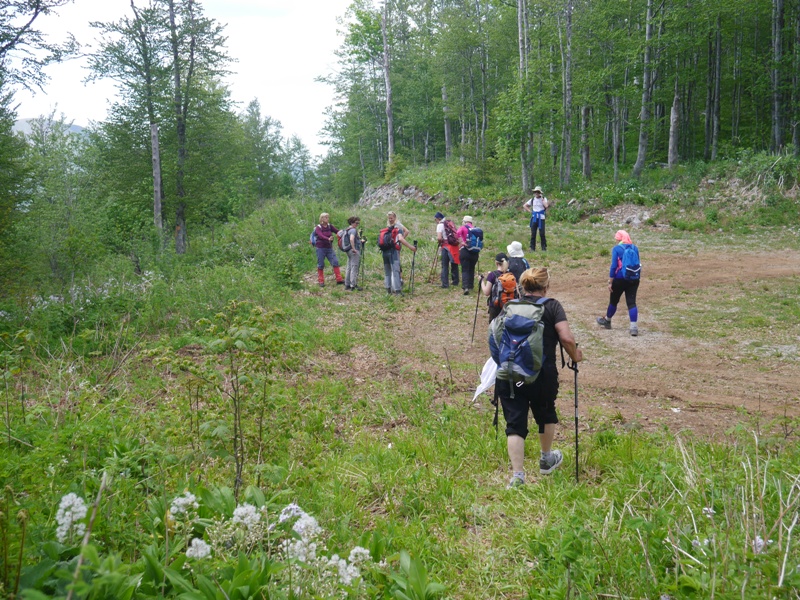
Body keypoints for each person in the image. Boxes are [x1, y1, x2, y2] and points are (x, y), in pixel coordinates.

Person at [493, 268, 583, 488]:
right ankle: (546, 459)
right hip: (541, 375)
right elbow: (566, 338)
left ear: (523, 286)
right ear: (546, 286)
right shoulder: (552, 306)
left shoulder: (510, 306)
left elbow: (495, 336)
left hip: (512, 374)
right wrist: (575, 356)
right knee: (545, 413)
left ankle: (517, 476)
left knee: (515, 423)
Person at [596, 229, 641, 336]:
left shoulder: (616, 249)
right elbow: (637, 263)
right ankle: (633, 327)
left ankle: (607, 320)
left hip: (619, 279)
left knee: (614, 301)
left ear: (620, 239)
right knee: (631, 302)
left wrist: (610, 282)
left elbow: (614, 266)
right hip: (633, 279)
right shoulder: (635, 248)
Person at [381, 211, 416, 295]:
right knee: (396, 271)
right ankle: (398, 291)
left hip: (385, 251)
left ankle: (388, 290)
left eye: (391, 218)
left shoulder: (387, 229)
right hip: (393, 251)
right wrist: (411, 247)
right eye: (389, 218)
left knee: (387, 272)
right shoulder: (398, 228)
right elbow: (400, 238)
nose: (390, 219)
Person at [480, 253, 517, 323]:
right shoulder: (511, 275)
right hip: (508, 306)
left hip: (495, 306)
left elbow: (486, 292)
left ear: (496, 263)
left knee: (494, 327)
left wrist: (481, 281)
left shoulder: (492, 275)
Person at [314, 213, 344, 287]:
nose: (327, 219)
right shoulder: (318, 227)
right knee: (321, 264)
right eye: (326, 217)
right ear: (322, 219)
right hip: (320, 248)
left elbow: (337, 231)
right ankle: (321, 281)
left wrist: (343, 232)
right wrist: (328, 238)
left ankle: (339, 279)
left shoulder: (330, 226)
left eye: (328, 217)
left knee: (335, 262)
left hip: (329, 247)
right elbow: (320, 235)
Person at [434, 211, 460, 288]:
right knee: (454, 264)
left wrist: (440, 242)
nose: (435, 221)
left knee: (445, 265)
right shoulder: (449, 223)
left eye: (435, 219)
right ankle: (455, 281)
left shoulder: (440, 225)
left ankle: (445, 284)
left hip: (445, 246)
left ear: (439, 219)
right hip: (454, 246)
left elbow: (439, 237)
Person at [457, 216, 480, 295]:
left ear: (464, 221)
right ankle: (471, 285)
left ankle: (465, 287)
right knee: (472, 268)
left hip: (465, 250)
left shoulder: (463, 227)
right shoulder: (476, 229)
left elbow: (457, 233)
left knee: (465, 269)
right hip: (475, 252)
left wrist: (462, 242)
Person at [522, 186, 549, 251]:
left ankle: (544, 248)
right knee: (533, 233)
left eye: (538, 192)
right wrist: (530, 211)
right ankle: (532, 248)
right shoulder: (532, 199)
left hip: (541, 218)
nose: (536, 193)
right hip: (534, 217)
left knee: (542, 233)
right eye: (535, 192)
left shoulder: (544, 199)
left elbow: (546, 206)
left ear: (540, 193)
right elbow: (525, 205)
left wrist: (542, 199)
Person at [344, 216, 362, 291]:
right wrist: (354, 248)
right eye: (356, 223)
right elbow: (351, 239)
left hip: (348, 250)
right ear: (352, 222)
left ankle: (347, 284)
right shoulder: (353, 230)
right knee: (354, 267)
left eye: (358, 223)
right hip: (354, 251)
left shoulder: (347, 229)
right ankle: (353, 285)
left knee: (349, 267)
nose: (357, 224)